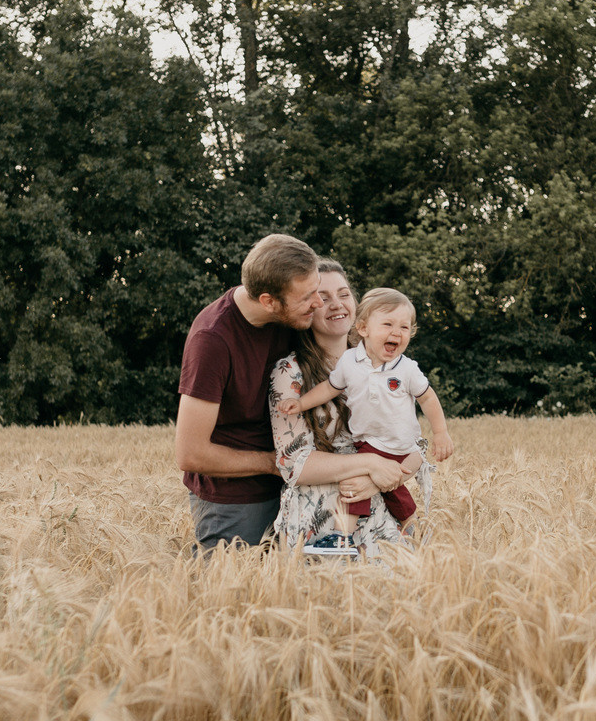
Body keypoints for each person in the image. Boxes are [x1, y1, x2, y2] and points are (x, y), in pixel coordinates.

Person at [175, 233, 324, 551]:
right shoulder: (212, 340)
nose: (319, 303)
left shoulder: (291, 315)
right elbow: (190, 453)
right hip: (236, 500)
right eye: (307, 296)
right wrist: (276, 463)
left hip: (299, 485)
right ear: (269, 301)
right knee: (235, 595)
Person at [282, 286, 453, 548]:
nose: (397, 332)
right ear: (363, 329)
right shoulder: (350, 361)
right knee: (363, 492)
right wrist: (301, 402)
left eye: (405, 327)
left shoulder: (407, 369)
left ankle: (413, 534)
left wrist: (440, 432)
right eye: (387, 324)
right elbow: (330, 388)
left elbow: (427, 398)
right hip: (368, 444)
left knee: (388, 495)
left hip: (401, 445)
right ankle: (344, 539)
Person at [268, 261, 419, 555]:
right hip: (321, 520)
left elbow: (414, 446)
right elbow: (293, 465)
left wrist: (377, 483)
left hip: (381, 513)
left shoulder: (386, 364)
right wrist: (372, 466)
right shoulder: (289, 373)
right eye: (323, 297)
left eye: (344, 294)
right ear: (308, 308)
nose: (336, 304)